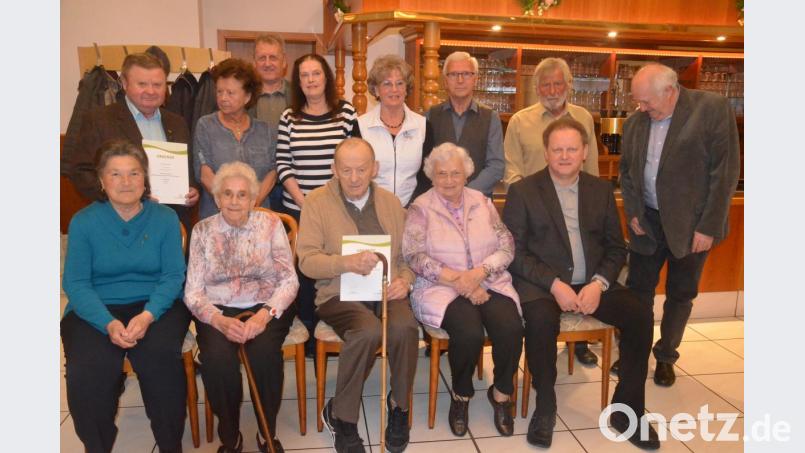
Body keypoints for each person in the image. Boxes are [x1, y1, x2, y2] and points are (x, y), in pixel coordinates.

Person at [502, 118, 658, 450]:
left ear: (585, 152)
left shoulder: (600, 190)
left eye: (571, 149)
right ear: (546, 152)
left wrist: (599, 284)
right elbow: (514, 253)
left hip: (592, 283)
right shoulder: (523, 191)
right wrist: (554, 284)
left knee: (640, 315)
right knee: (540, 321)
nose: (564, 156)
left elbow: (616, 247)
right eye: (557, 149)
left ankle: (627, 409)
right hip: (543, 285)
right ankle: (546, 406)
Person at [61, 140, 190, 453]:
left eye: (134, 173)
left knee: (160, 359)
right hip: (96, 307)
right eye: (115, 174)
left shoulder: (165, 218)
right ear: (101, 180)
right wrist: (107, 323)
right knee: (88, 369)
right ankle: (97, 446)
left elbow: (173, 276)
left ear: (145, 178)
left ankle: (170, 445)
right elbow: (76, 283)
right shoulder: (84, 222)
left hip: (155, 306)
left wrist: (147, 316)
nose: (126, 181)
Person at [618, 63, 740, 387]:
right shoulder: (635, 122)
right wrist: (633, 212)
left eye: (646, 101)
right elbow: (627, 173)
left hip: (692, 225)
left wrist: (709, 226)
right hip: (647, 222)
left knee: (680, 293)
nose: (641, 107)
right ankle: (635, 352)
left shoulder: (711, 109)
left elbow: (724, 173)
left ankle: (665, 356)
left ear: (670, 91)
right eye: (638, 101)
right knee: (637, 292)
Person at [297, 138, 418, 453]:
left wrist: (405, 280)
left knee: (405, 327)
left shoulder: (391, 203)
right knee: (367, 330)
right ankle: (343, 418)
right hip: (338, 293)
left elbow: (407, 258)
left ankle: (399, 406)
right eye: (346, 170)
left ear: (374, 168)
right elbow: (307, 261)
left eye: (361, 170)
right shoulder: (316, 202)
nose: (353, 178)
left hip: (386, 289)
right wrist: (345, 263)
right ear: (334, 169)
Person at [403, 143, 523, 438]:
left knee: (510, 326)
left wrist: (480, 273)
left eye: (455, 173)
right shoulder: (420, 208)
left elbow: (507, 246)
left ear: (467, 174)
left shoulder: (482, 202)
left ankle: (501, 393)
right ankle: (461, 395)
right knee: (468, 332)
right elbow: (414, 256)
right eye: (441, 173)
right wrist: (461, 281)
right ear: (431, 175)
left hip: (489, 281)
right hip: (439, 288)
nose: (448, 180)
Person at [185, 161, 299, 453]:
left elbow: (289, 280)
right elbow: (193, 292)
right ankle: (230, 435)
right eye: (227, 194)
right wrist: (219, 320)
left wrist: (264, 316)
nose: (234, 201)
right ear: (217, 198)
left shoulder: (270, 224)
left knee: (264, 355)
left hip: (265, 305)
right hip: (218, 308)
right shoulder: (202, 231)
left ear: (253, 198)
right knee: (217, 360)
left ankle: (265, 431)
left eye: (242, 194)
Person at [503, 56, 600, 365]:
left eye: (558, 83)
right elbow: (511, 169)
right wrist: (528, 202)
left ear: (569, 85)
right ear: (536, 87)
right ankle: (545, 337)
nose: (552, 90)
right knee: (543, 285)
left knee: (580, 267)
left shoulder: (583, 118)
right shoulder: (520, 121)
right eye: (545, 84)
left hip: (575, 209)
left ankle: (579, 343)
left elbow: (592, 167)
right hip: (535, 218)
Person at [276, 53, 361, 354]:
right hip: (298, 209)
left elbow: (355, 158)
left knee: (335, 271)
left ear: (327, 77)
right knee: (304, 274)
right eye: (304, 75)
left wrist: (328, 202)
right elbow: (283, 164)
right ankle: (310, 339)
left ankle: (338, 333)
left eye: (316, 73)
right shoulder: (289, 117)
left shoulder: (346, 113)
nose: (311, 80)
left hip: (338, 209)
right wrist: (306, 202)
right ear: (298, 82)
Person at [66, 52, 199, 232]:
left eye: (157, 84)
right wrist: (124, 196)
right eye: (142, 84)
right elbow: (80, 172)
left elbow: (189, 169)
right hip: (120, 224)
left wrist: (193, 189)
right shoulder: (99, 120)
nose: (150, 91)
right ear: (125, 83)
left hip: (172, 223)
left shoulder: (178, 123)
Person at [194, 58, 277, 220]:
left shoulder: (266, 130)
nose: (223, 98)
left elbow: (272, 172)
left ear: (247, 97)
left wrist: (252, 204)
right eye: (219, 92)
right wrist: (231, 207)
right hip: (217, 217)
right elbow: (205, 174)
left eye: (230, 93)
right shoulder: (205, 125)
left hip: (258, 216)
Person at [358, 54, 433, 207]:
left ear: (406, 89)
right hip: (371, 209)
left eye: (399, 83)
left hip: (414, 209)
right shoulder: (360, 126)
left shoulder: (423, 126)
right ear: (376, 90)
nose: (394, 89)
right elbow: (357, 174)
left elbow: (427, 174)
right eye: (387, 84)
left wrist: (412, 207)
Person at [425, 51, 504, 198]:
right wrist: (446, 191)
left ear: (475, 79)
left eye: (466, 74)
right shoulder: (430, 116)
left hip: (478, 202)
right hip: (438, 202)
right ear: (445, 80)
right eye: (453, 74)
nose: (460, 80)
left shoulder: (490, 118)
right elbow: (425, 163)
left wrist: (465, 194)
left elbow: (496, 166)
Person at [250, 33, 290, 212]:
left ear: (284, 62)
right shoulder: (243, 97)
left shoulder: (300, 94)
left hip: (291, 185)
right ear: (254, 63)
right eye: (262, 58)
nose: (267, 63)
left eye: (273, 57)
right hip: (256, 186)